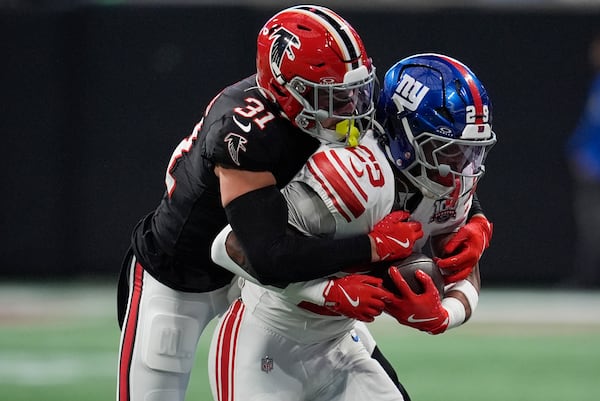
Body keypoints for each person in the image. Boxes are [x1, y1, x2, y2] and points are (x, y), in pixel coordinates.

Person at [116, 5, 423, 401]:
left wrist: (473, 220)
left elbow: (415, 161)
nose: (350, 108)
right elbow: (266, 254)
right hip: (180, 270)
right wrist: (372, 246)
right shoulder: (246, 132)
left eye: (354, 92)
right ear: (285, 90)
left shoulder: (332, 110)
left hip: (259, 280)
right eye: (331, 96)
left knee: (338, 341)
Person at [209, 53, 496, 401]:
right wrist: (329, 290)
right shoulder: (350, 176)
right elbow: (232, 247)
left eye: (471, 152)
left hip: (340, 341)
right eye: (448, 151)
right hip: (265, 338)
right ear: (405, 136)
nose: (462, 168)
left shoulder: (449, 183)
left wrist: (443, 315)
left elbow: (464, 270)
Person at [564, 33, 600, 289]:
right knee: (589, 225)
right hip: (588, 165)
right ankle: (587, 278)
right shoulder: (596, 82)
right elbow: (589, 124)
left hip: (594, 164)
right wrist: (577, 149)